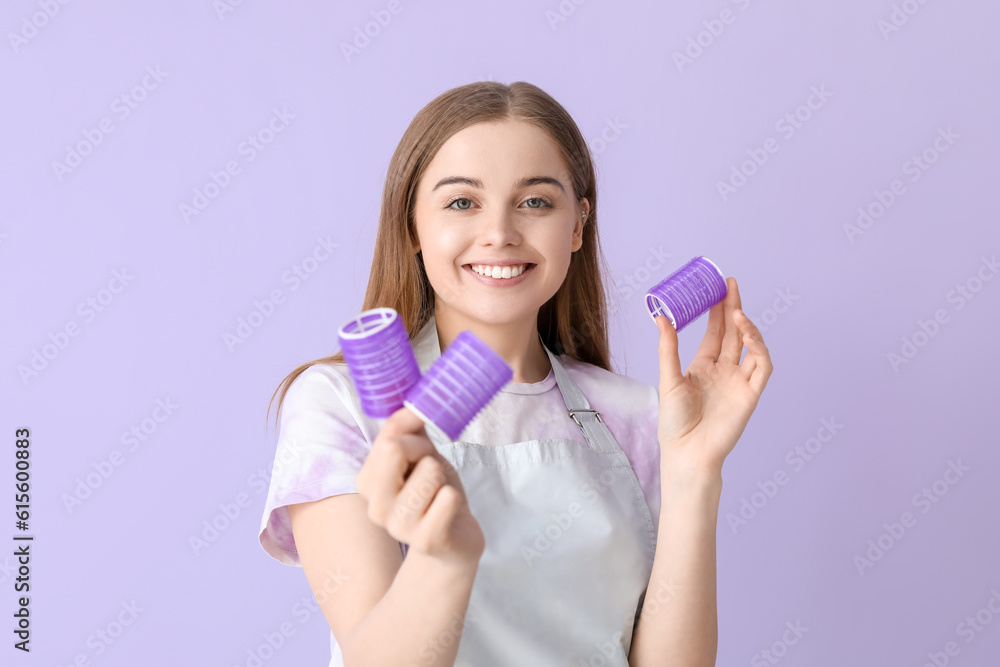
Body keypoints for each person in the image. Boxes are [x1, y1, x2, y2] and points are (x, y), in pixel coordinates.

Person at [258, 80, 772, 667]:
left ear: (577, 225)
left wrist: (694, 470)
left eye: (535, 202)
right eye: (461, 202)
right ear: (412, 227)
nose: (500, 233)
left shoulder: (640, 416)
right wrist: (444, 557)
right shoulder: (340, 404)